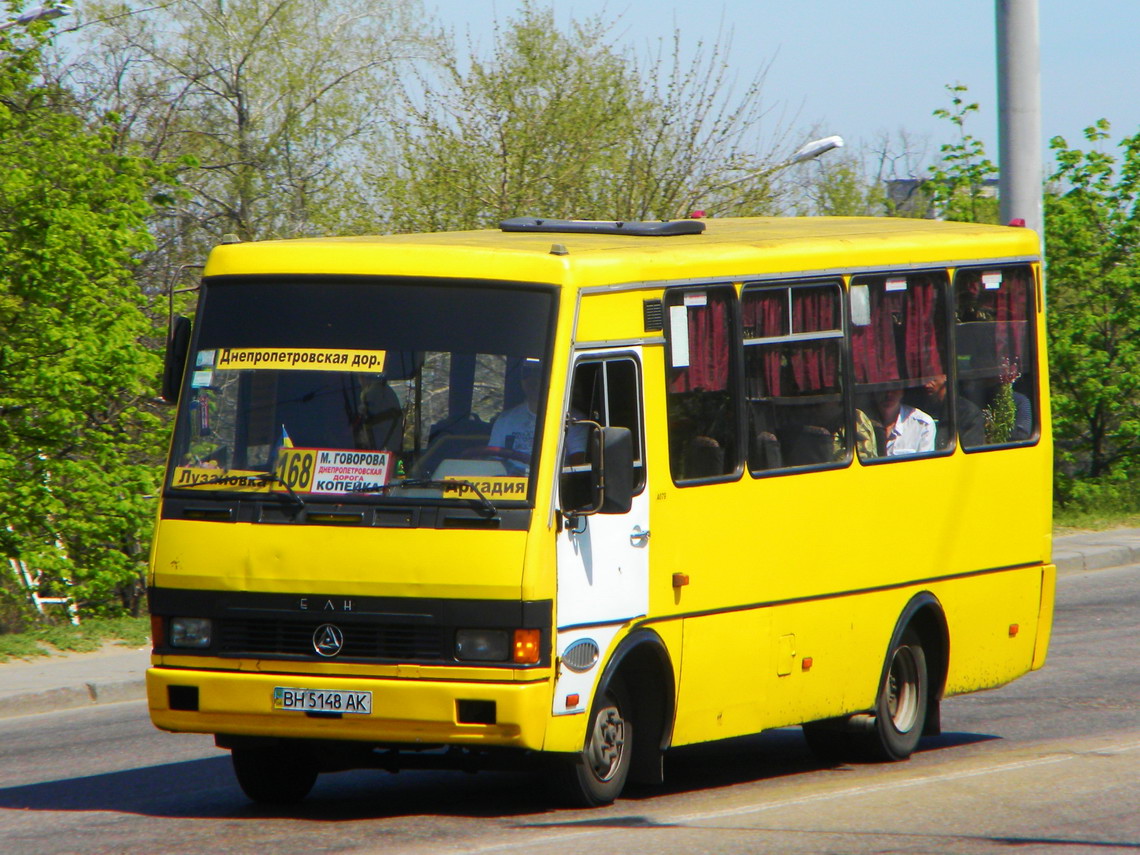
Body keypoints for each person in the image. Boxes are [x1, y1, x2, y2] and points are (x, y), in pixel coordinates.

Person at [922, 374, 985, 450]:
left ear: (945, 376)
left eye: (932, 378)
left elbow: (971, 451)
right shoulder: (920, 412)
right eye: (924, 379)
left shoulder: (967, 413)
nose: (927, 385)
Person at [874, 388, 935, 456]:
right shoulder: (862, 422)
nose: (889, 393)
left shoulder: (923, 424)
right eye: (882, 386)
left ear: (902, 391)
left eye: (894, 385)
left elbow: (924, 464)